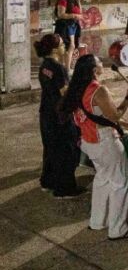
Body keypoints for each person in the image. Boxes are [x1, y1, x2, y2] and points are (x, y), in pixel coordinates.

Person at [60, 55, 128, 240]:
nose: (102, 64)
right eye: (99, 63)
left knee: (103, 179)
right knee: (120, 182)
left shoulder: (76, 89)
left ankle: (97, 221)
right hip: (104, 142)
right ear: (93, 70)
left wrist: (126, 125)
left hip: (88, 143)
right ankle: (117, 229)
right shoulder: (98, 90)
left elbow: (96, 116)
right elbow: (115, 115)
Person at [36, 34, 83, 198]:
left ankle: (47, 181)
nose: (65, 46)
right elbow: (65, 94)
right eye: (63, 44)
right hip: (59, 117)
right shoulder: (58, 68)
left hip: (46, 114)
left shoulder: (45, 66)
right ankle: (65, 189)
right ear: (55, 49)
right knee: (66, 151)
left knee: (50, 149)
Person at [54, 0, 82, 72]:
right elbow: (61, 14)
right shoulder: (63, 1)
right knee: (64, 47)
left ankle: (67, 68)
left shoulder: (73, 1)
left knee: (72, 46)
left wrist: (78, 2)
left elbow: (79, 12)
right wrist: (74, 15)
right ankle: (64, 68)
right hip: (64, 26)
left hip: (73, 25)